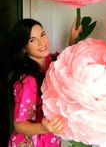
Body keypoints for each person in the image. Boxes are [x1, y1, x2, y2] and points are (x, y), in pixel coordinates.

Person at [8, 18, 81, 147]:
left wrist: (72, 40)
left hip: (49, 138)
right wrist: (45, 128)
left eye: (42, 34)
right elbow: (19, 125)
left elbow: (65, 63)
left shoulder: (51, 61)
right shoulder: (27, 81)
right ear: (24, 48)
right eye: (32, 40)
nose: (41, 42)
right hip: (30, 143)